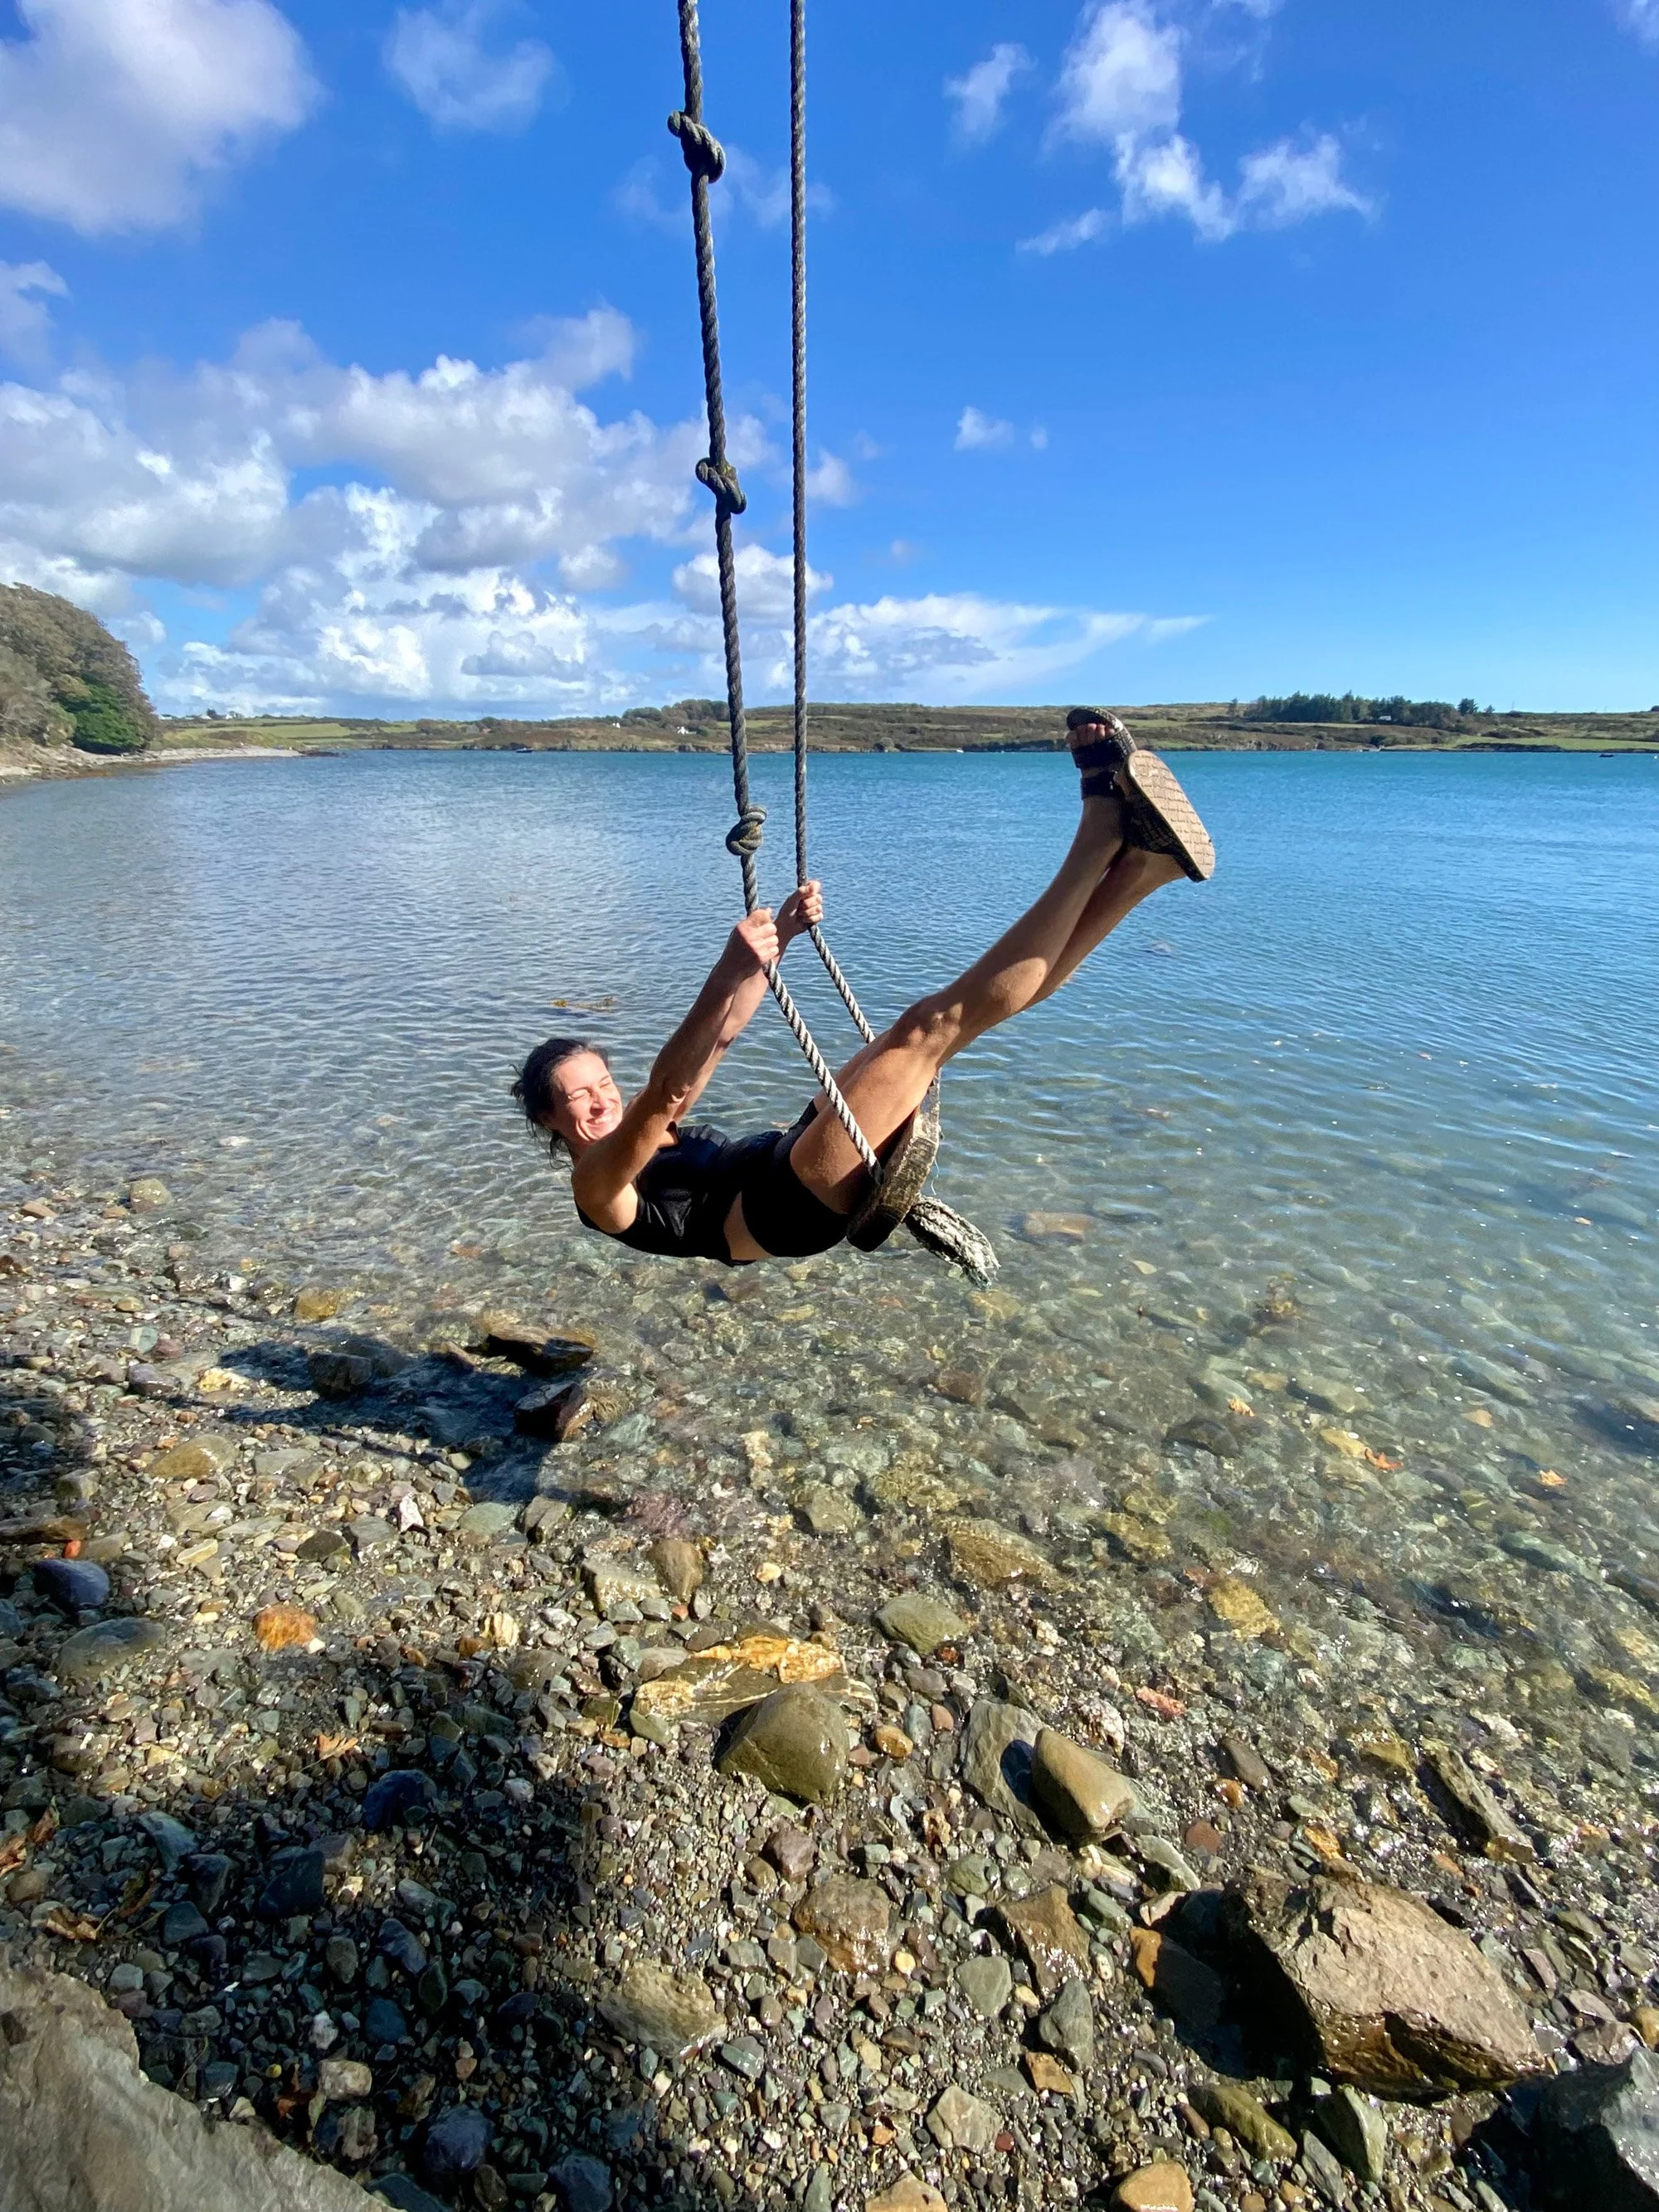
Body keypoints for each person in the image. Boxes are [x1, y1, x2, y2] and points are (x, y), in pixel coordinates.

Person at [512, 711, 1214, 1266]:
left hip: (790, 1156)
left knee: (946, 1027)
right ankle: (1099, 834)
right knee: (929, 1028)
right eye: (580, 1094)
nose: (604, 1097)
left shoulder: (646, 1131)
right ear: (549, 1119)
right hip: (780, 1205)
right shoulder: (596, 1187)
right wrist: (727, 969)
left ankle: (1141, 872)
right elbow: (667, 1088)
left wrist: (777, 943)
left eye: (602, 1080)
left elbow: (719, 1038)